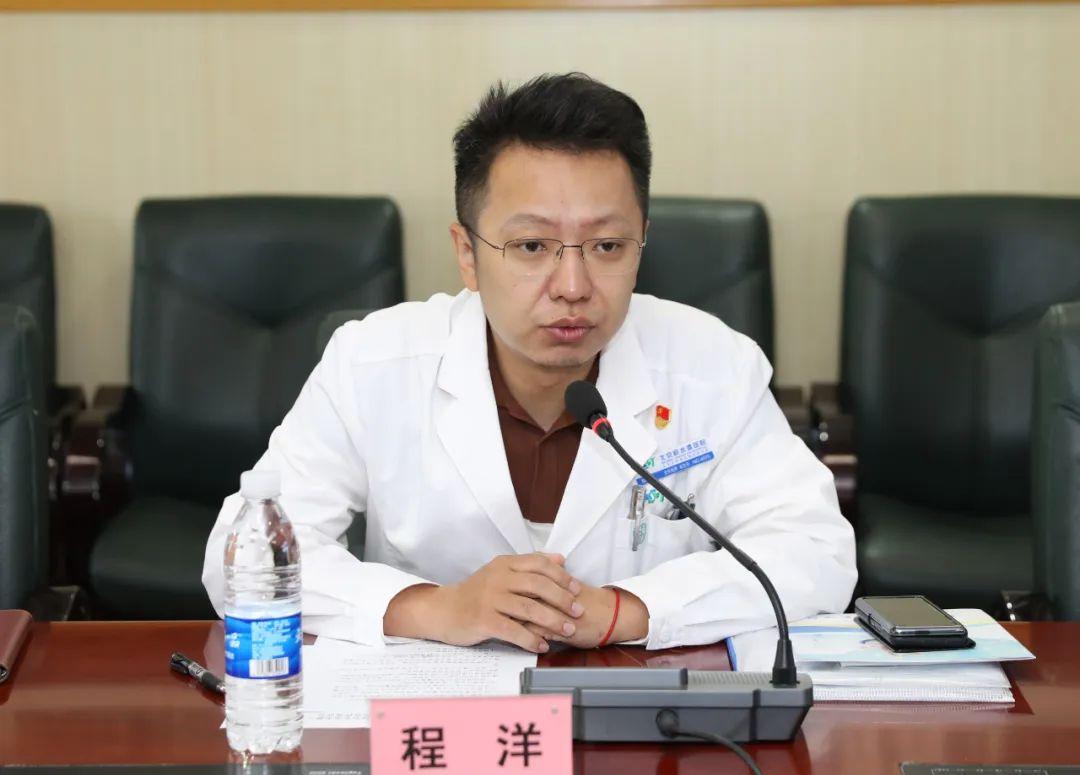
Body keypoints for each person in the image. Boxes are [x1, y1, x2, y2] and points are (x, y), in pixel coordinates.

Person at [202, 72, 855, 653]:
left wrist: (626, 611)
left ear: (641, 245)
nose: (572, 285)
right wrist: (437, 608)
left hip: (643, 710)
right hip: (434, 716)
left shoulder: (713, 366)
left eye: (607, 245)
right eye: (532, 246)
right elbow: (243, 560)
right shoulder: (373, 362)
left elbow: (815, 550)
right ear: (467, 253)